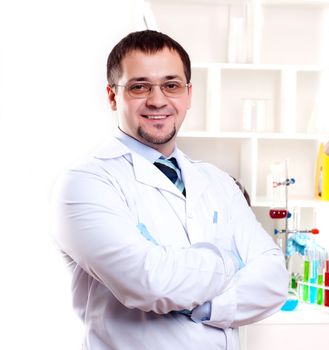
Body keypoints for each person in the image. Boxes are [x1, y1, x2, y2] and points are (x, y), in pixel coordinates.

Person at [51, 29, 289, 350]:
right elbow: (149, 282)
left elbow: (274, 280)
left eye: (171, 85)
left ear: (188, 94)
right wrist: (230, 262)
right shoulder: (85, 182)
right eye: (139, 87)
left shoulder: (216, 181)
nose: (158, 100)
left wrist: (206, 305)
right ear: (112, 96)